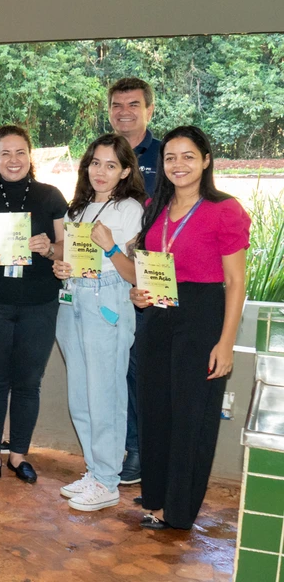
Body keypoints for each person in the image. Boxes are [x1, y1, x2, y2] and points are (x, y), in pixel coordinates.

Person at [131, 126, 249, 531]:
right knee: (154, 412)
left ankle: (179, 510)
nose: (178, 165)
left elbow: (236, 282)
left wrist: (226, 343)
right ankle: (156, 499)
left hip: (202, 317)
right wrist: (139, 294)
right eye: (170, 157)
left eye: (188, 156)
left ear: (206, 161)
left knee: (190, 417)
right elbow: (149, 268)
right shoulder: (155, 206)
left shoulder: (224, 209)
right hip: (157, 316)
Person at [0, 125, 67, 485]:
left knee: (28, 381)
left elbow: (66, 249)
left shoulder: (51, 196)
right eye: (5, 153)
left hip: (40, 302)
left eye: (20, 152)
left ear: (30, 155)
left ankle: (19, 454)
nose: (13, 160)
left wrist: (49, 248)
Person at [51, 134, 146, 512]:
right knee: (81, 396)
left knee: (106, 395)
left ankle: (108, 480)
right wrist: (62, 268)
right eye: (95, 163)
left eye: (111, 165)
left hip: (107, 300)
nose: (101, 172)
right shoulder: (78, 209)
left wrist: (110, 246)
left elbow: (134, 274)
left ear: (125, 171)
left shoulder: (131, 210)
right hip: (73, 298)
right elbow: (72, 257)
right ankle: (95, 470)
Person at [108, 76, 163, 487]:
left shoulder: (166, 154)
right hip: (112, 280)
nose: (124, 112)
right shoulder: (104, 153)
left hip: (155, 279)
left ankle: (148, 452)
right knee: (123, 371)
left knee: (147, 372)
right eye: (117, 105)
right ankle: (130, 449)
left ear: (149, 110)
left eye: (133, 104)